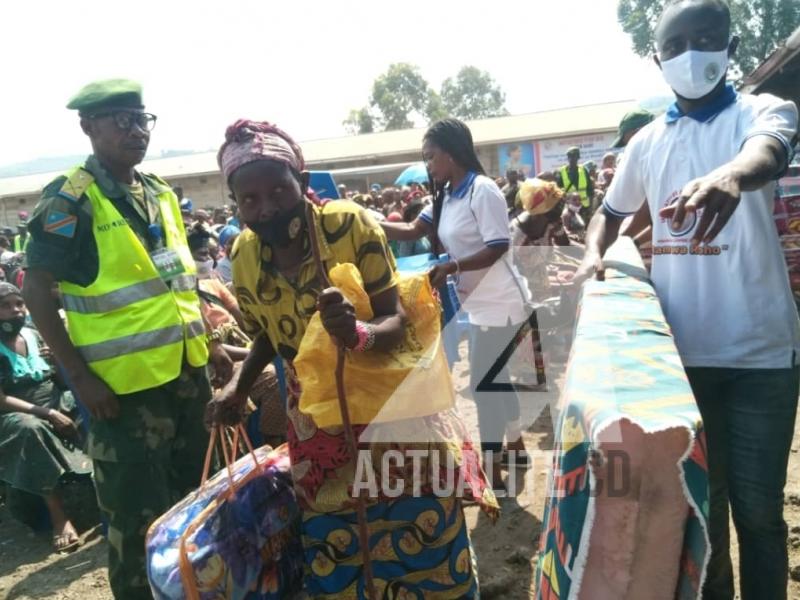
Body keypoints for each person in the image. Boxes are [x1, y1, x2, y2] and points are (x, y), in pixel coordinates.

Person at [207, 119, 497, 598]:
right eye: (249, 199)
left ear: (301, 183)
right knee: (337, 539)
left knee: (417, 526)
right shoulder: (241, 255)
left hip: (388, 408)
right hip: (314, 425)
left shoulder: (347, 225)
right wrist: (239, 386)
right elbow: (264, 336)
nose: (266, 208)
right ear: (236, 204)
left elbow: (394, 318)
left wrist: (357, 334)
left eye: (278, 191)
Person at [573, 2, 800, 598]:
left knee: (758, 514)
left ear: (730, 46)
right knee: (705, 512)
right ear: (657, 59)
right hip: (677, 365)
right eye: (676, 45)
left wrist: (733, 175)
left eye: (707, 39)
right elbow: (610, 213)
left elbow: (768, 152)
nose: (692, 53)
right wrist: (595, 253)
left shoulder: (763, 111)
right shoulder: (647, 143)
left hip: (761, 357)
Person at [23, 78, 233, 599]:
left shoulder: (159, 192)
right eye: (121, 120)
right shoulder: (71, 200)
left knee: (196, 506)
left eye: (142, 120)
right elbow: (36, 291)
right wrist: (78, 377)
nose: (136, 131)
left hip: (187, 378)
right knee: (137, 523)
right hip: (121, 395)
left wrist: (214, 343)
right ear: (88, 127)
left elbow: (178, 281)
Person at [381, 118, 532, 484]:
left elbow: (498, 246)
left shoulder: (482, 191)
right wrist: (364, 220)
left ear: (450, 154)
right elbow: (413, 230)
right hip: (476, 303)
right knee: (498, 380)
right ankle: (517, 446)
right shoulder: (446, 195)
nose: (429, 165)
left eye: (431, 157)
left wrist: (453, 266)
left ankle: (494, 463)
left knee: (483, 384)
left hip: (503, 302)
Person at [0, 283, 91, 552]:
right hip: (15, 412)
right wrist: (48, 413)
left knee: (87, 407)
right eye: (5, 306)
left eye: (18, 304)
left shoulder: (33, 334)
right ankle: (58, 517)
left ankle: (105, 491)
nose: (14, 311)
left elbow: (61, 382)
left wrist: (58, 363)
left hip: (52, 399)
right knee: (31, 430)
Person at [558, 147, 594, 224]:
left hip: (584, 207)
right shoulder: (562, 171)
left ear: (578, 158)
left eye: (575, 156)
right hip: (570, 208)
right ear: (568, 158)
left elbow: (590, 190)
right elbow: (558, 190)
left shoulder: (583, 170)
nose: (573, 158)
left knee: (584, 228)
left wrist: (590, 208)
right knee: (570, 229)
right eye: (570, 156)